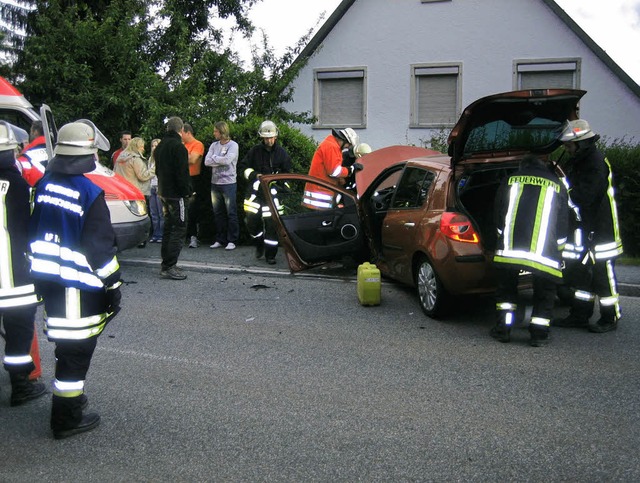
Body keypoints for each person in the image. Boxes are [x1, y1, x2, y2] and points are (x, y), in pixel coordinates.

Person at [28, 120, 122, 439]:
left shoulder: (44, 185)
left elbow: (34, 233)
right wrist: (114, 286)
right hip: (78, 292)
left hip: (51, 286)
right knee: (75, 354)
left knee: (66, 350)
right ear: (88, 153)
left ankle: (69, 401)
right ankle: (65, 418)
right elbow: (100, 250)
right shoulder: (89, 192)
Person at [490, 154, 569, 347]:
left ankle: (504, 330)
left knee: (506, 291)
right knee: (545, 293)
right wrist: (558, 250)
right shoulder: (557, 185)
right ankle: (539, 334)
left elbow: (498, 214)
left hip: (510, 251)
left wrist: (501, 238)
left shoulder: (510, 180)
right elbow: (563, 224)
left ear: (522, 166)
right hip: (545, 254)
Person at [552, 119, 623, 333]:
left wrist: (565, 194)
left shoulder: (594, 162)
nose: (566, 148)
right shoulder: (580, 161)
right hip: (585, 229)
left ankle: (610, 317)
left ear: (581, 143)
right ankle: (580, 315)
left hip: (601, 230)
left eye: (569, 145)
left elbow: (586, 196)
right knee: (580, 274)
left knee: (602, 274)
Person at [0, 121, 47, 407]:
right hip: (13, 275)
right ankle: (21, 385)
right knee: (19, 331)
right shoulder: (18, 185)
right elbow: (33, 225)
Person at [237, 120, 292, 264]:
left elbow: (287, 175)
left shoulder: (282, 154)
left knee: (272, 226)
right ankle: (258, 242)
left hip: (272, 196)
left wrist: (280, 186)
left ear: (276, 137)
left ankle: (270, 255)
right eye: (266, 137)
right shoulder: (254, 151)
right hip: (255, 195)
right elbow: (243, 169)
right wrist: (255, 175)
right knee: (251, 223)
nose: (269, 140)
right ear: (262, 137)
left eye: (271, 137)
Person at [154, 116, 192, 280]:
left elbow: (157, 170)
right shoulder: (179, 147)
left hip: (163, 192)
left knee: (168, 228)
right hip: (177, 195)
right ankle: (170, 266)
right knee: (179, 228)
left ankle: (166, 263)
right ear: (181, 130)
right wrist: (188, 192)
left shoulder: (160, 146)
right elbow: (182, 174)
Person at [303, 128, 363, 209]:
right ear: (344, 140)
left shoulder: (332, 145)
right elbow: (334, 171)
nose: (347, 147)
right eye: (348, 145)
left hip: (320, 192)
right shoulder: (331, 147)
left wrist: (341, 180)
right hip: (320, 195)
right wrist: (351, 169)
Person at [113, 137, 155, 247]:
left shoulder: (120, 157)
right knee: (139, 217)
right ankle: (140, 240)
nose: (143, 148)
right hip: (135, 192)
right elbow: (143, 176)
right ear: (137, 147)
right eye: (142, 146)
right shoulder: (135, 159)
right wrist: (154, 168)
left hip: (121, 191)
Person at [204, 121, 239, 250]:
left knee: (231, 212)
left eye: (216, 131)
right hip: (215, 184)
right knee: (218, 213)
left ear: (222, 131)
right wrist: (219, 159)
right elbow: (207, 162)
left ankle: (232, 240)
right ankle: (220, 239)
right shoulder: (214, 145)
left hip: (229, 183)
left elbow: (228, 160)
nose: (214, 133)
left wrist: (215, 158)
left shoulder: (233, 145)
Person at [181, 123, 205, 248]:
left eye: (182, 133)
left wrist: (181, 154)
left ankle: (194, 236)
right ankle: (185, 235)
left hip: (194, 179)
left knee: (193, 208)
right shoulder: (183, 145)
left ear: (188, 133)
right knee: (183, 208)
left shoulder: (197, 144)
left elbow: (192, 160)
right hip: (183, 178)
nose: (180, 136)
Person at [17, 120, 48, 186]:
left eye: (31, 131)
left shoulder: (25, 157)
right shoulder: (55, 150)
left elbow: (24, 180)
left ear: (35, 132)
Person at [148, 138, 164, 243]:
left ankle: (161, 234)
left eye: (156, 146)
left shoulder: (163, 158)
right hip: (151, 187)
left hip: (159, 186)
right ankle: (155, 234)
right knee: (153, 212)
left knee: (161, 213)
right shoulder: (150, 159)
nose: (154, 148)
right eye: (153, 146)